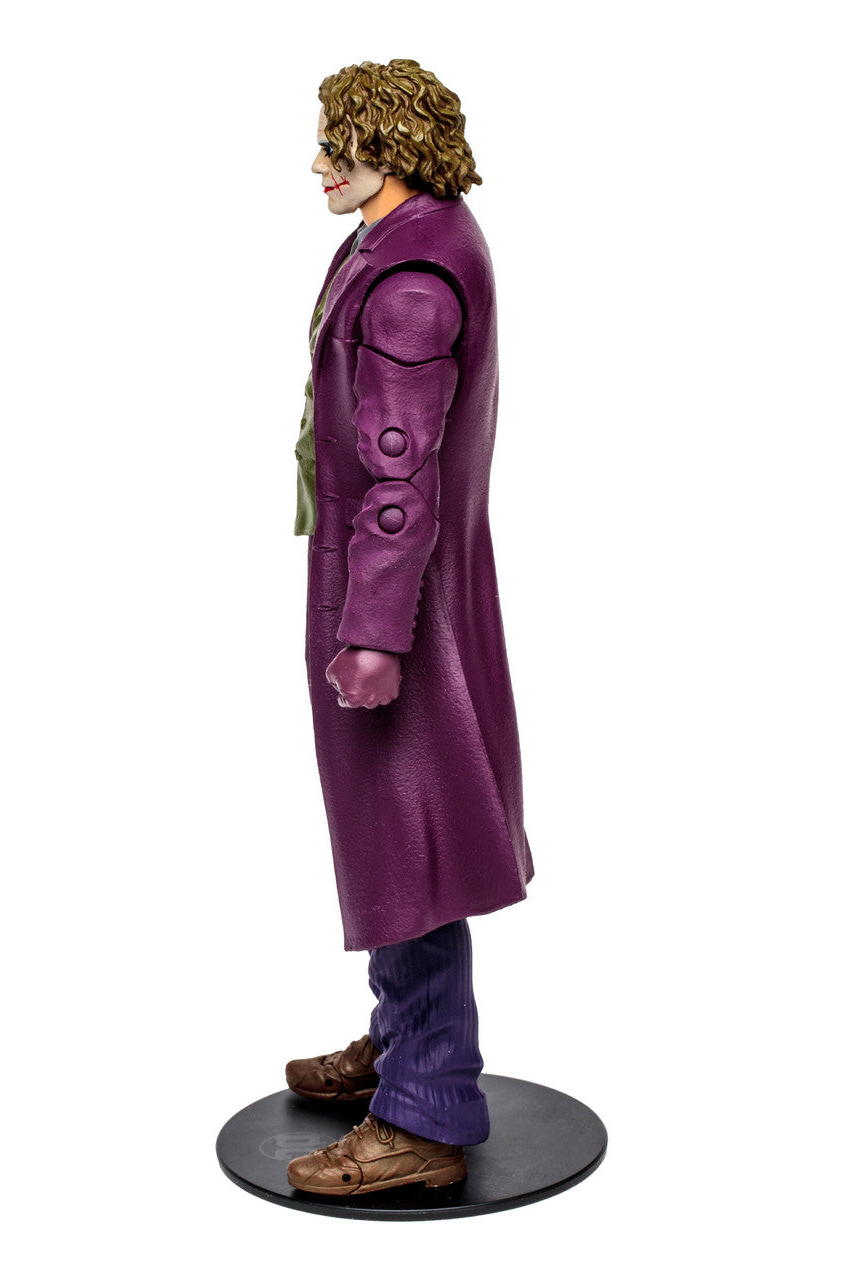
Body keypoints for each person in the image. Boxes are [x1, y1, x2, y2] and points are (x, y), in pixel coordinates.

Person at [285, 59, 534, 1197]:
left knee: (411, 842)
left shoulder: (411, 280)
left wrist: (375, 631)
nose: (318, 164)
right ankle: (404, 1036)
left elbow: (398, 484)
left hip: (397, 598)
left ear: (388, 147)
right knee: (393, 834)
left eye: (336, 145)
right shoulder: (404, 237)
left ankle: (426, 1108)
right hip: (388, 583)